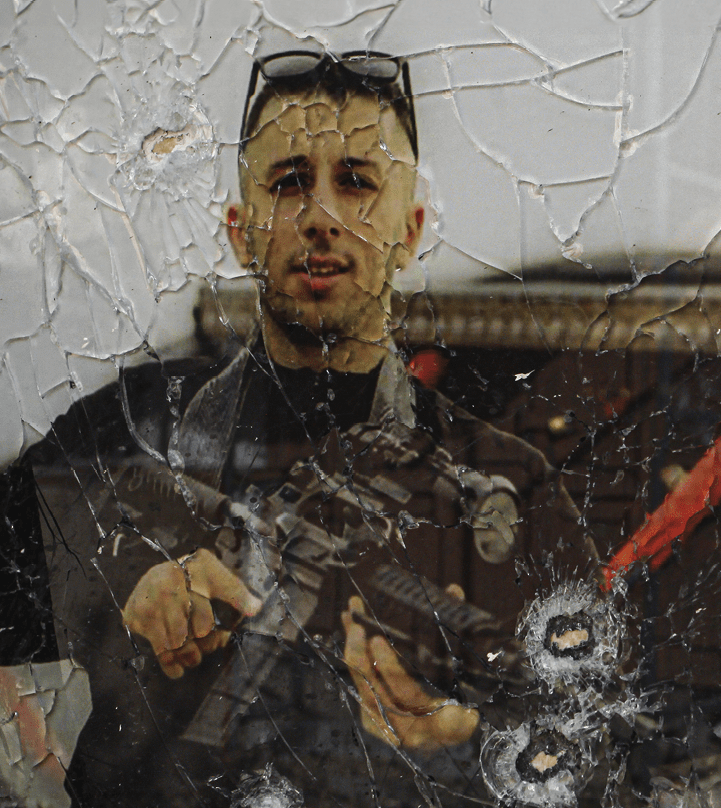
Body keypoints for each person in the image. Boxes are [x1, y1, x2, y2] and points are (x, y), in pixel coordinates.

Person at [0, 51, 590, 807]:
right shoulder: (133, 427)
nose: (320, 215)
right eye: (288, 183)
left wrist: (466, 740)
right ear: (241, 233)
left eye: (357, 181)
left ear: (408, 232)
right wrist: (122, 579)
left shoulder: (509, 483)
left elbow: (609, 737)